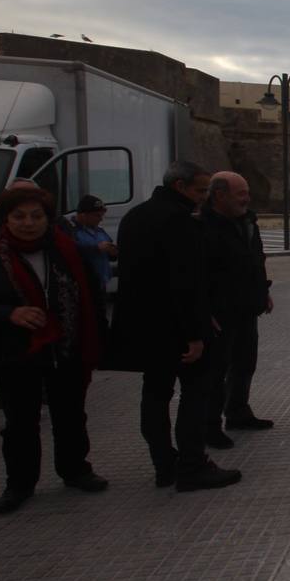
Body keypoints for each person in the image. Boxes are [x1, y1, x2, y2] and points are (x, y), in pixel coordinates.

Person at [0, 184, 109, 514]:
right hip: (13, 351)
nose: (28, 223)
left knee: (71, 413)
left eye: (36, 216)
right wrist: (9, 313)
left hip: (66, 345)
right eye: (19, 216)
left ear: (48, 219)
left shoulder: (66, 250)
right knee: (20, 421)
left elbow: (91, 294)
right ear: (6, 219)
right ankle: (19, 483)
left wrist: (100, 338)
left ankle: (75, 469)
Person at [112, 160, 240, 492]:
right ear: (179, 186)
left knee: (154, 394)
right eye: (200, 190)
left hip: (143, 327)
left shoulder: (134, 218)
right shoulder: (179, 222)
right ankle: (192, 466)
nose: (204, 197)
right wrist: (196, 333)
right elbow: (185, 283)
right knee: (195, 394)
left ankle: (163, 464)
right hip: (176, 329)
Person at [200, 171, 274, 448]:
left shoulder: (247, 222)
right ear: (219, 195)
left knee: (245, 363)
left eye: (247, 192)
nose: (247, 198)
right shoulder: (204, 226)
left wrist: (263, 291)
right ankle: (210, 426)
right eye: (241, 193)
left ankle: (238, 412)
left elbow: (257, 259)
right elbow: (199, 273)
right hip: (221, 312)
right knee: (216, 371)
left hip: (247, 307)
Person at [58, 194, 118, 293]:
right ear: (83, 215)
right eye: (97, 215)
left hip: (100, 283)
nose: (101, 219)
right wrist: (96, 248)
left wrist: (113, 253)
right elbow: (72, 251)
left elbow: (110, 255)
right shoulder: (69, 230)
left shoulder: (99, 230)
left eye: (102, 215)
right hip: (82, 284)